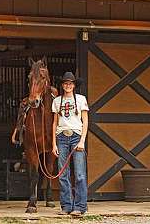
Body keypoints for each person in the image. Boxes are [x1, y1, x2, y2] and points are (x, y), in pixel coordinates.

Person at [52, 71, 89, 217]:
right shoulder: (57, 101)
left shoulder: (81, 99)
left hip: (76, 136)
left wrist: (82, 140)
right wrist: (53, 144)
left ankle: (80, 206)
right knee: (63, 174)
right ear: (62, 85)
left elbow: (85, 121)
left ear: (74, 85)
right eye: (65, 83)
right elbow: (54, 123)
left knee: (79, 173)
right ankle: (66, 206)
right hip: (61, 137)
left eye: (70, 83)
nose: (68, 85)